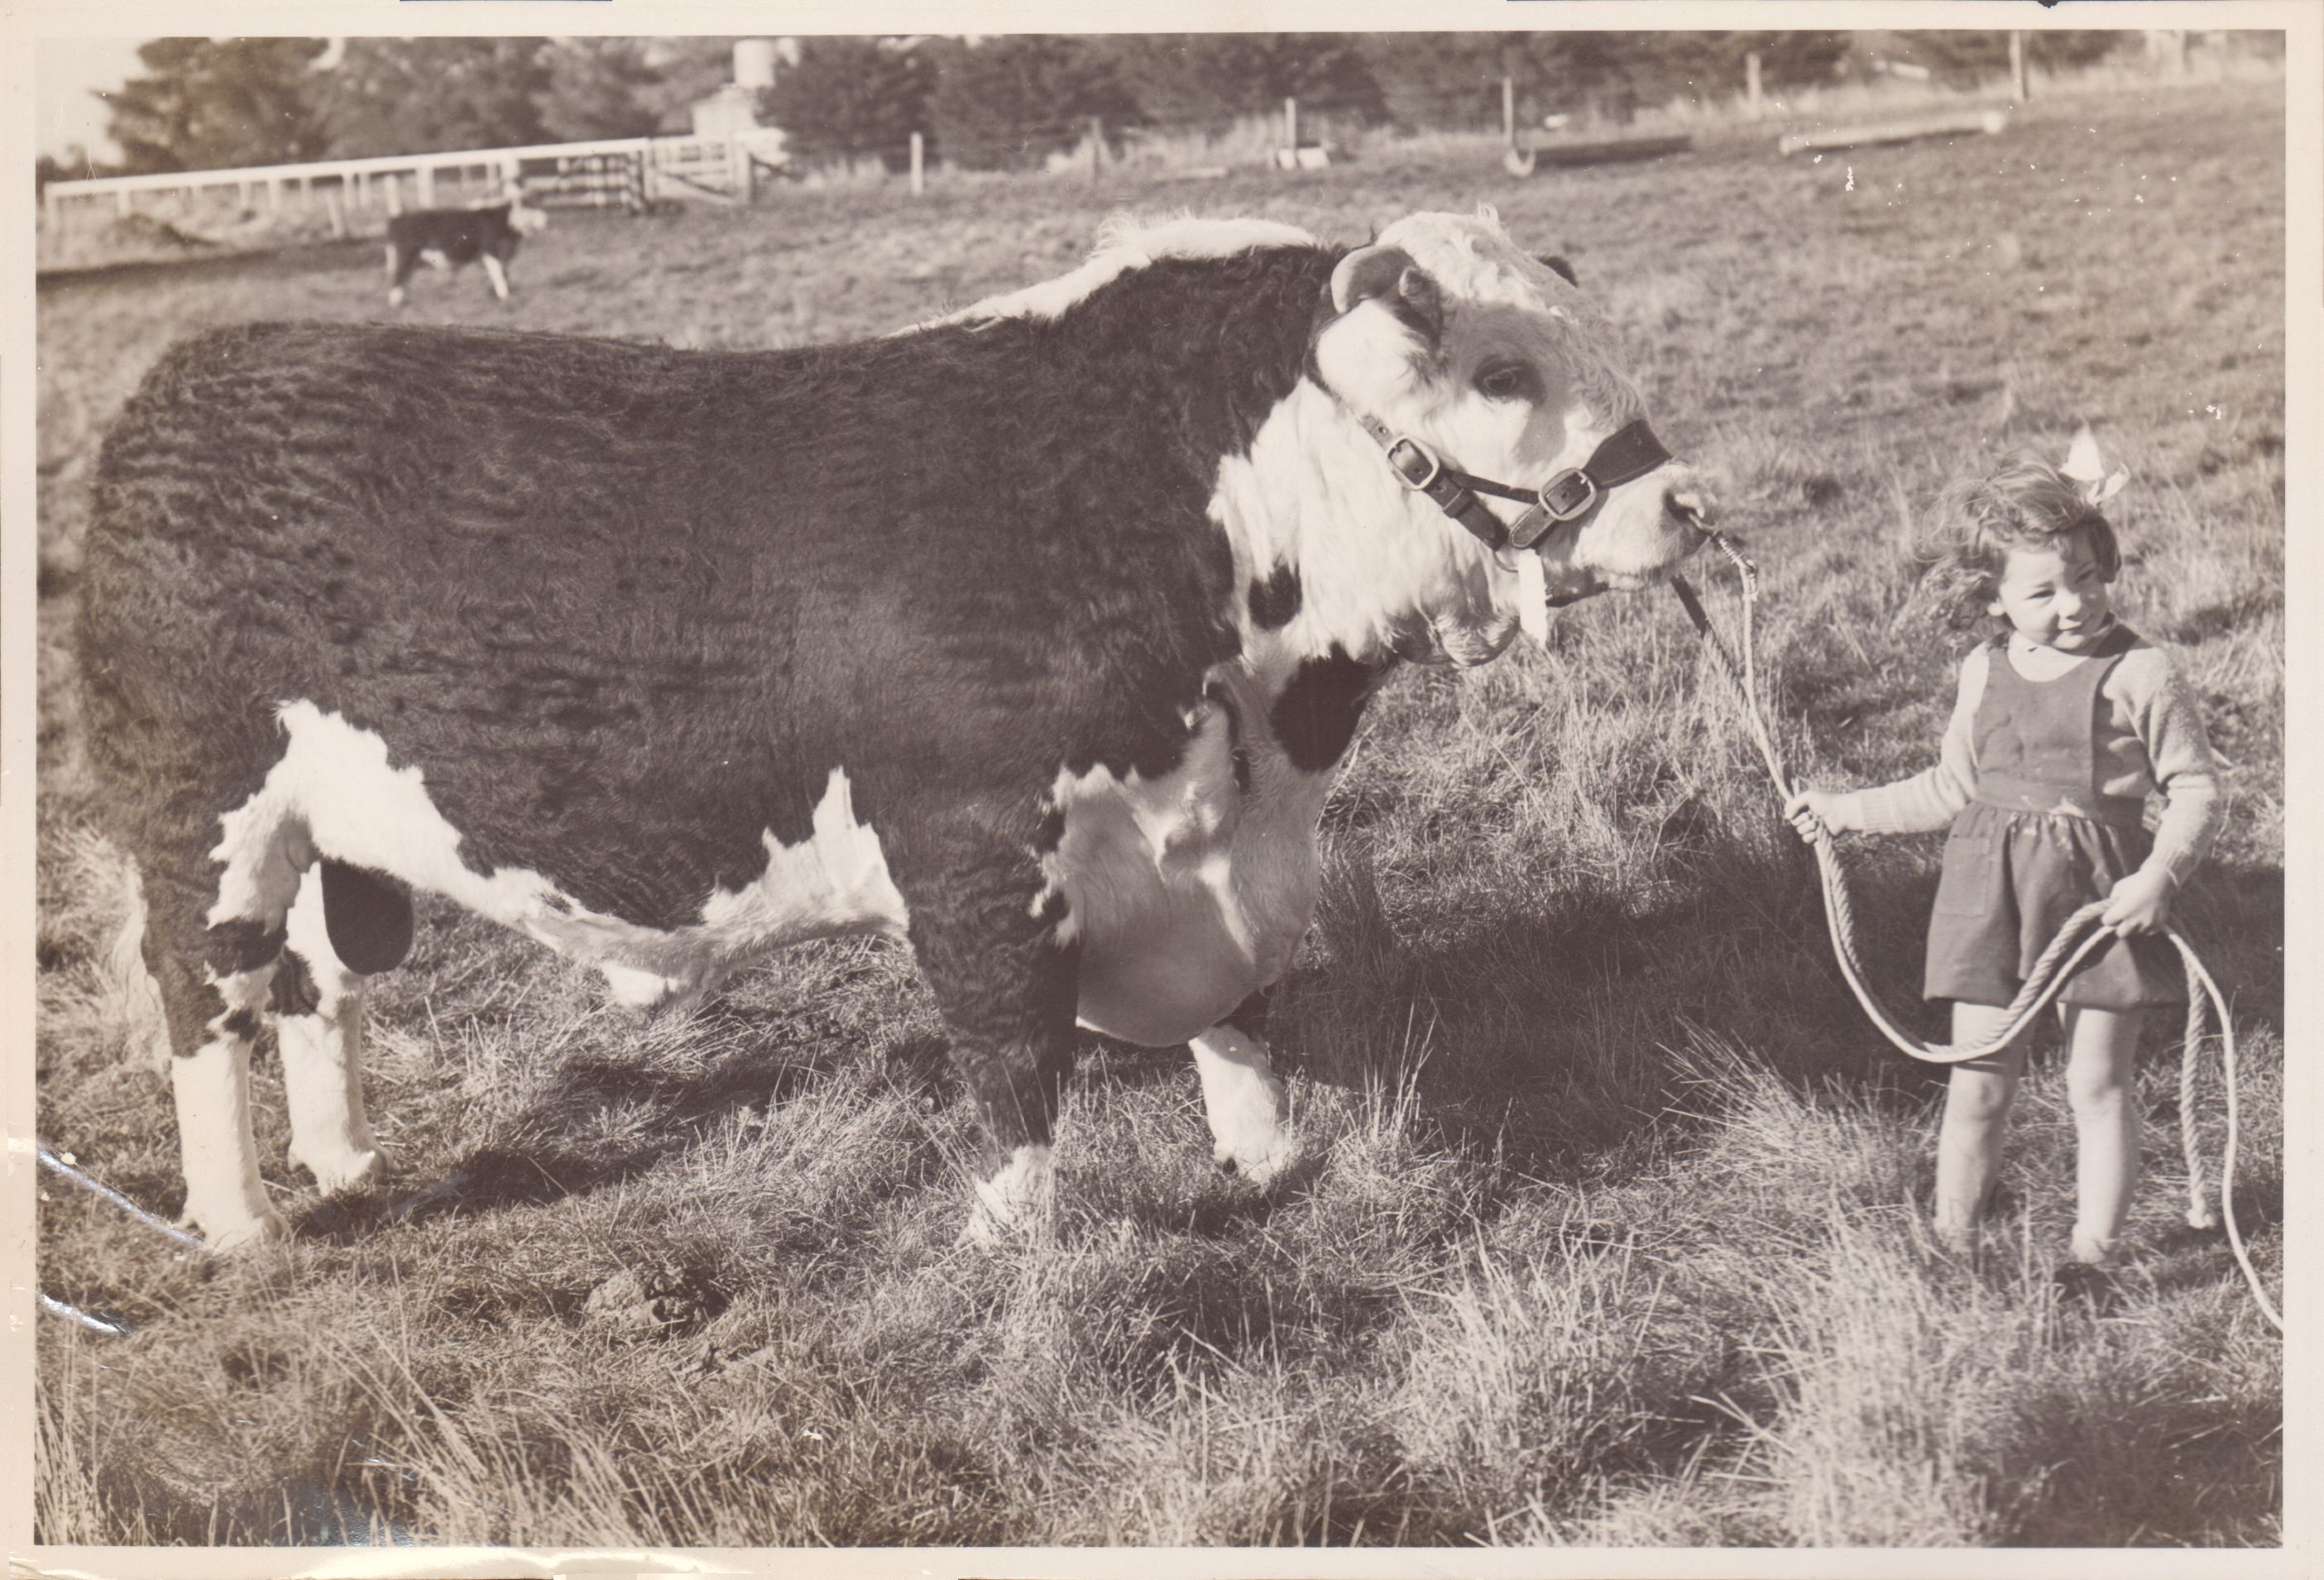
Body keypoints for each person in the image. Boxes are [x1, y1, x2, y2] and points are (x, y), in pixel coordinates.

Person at [1784, 439, 2224, 1272]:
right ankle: (1952, 1244)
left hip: (2100, 901)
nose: (2075, 603)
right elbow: (1950, 787)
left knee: (2096, 1085)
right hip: (1988, 897)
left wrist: (2159, 875)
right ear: (1989, 596)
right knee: (1978, 1082)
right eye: (2043, 591)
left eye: (2087, 576)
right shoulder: (1981, 670)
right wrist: (1844, 812)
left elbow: (2195, 789)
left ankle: (2093, 1256)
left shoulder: (2142, 671)